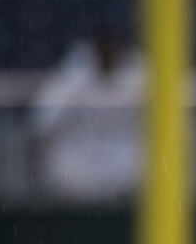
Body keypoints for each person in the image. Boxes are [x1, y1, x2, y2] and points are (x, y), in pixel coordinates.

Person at [31, 28, 143, 201]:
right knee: (66, 172)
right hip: (78, 161)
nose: (108, 57)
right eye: (104, 51)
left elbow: (165, 123)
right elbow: (43, 121)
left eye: (112, 51)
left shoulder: (137, 78)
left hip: (122, 161)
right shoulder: (72, 78)